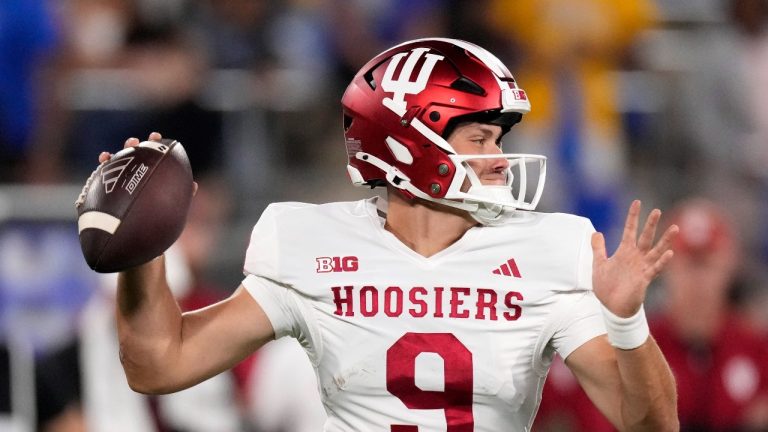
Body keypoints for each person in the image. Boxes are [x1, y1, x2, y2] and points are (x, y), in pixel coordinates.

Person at [96, 38, 679, 430]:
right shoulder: (311, 246)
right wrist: (143, 243)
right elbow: (159, 366)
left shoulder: (547, 251)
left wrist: (625, 321)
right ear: (410, 147)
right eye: (481, 140)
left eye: (497, 141)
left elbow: (650, 423)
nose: (500, 160)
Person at [649, 198, 768, 431]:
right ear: (665, 267)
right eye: (688, 264)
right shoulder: (641, 345)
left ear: (729, 265)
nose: (698, 279)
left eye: (707, 264)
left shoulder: (758, 347)